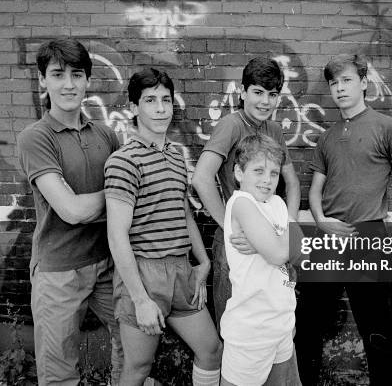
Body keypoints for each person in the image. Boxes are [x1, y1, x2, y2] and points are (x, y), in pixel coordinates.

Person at [295, 54, 392, 385]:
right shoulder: (327, 138)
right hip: (329, 239)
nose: (339, 88)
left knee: (378, 330)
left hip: (370, 236)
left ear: (364, 82)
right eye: (334, 83)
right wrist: (321, 222)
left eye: (346, 80)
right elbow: (315, 191)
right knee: (306, 325)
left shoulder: (390, 128)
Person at [104, 68, 222, 386]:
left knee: (211, 350)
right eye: (150, 100)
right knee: (139, 367)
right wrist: (141, 300)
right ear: (133, 107)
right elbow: (116, 236)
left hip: (181, 271)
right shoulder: (123, 161)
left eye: (166, 100)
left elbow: (182, 212)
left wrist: (204, 262)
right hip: (143, 274)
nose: (160, 108)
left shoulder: (174, 155)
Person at [17, 38, 123, 386]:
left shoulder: (106, 135)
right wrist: (118, 195)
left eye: (77, 75)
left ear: (88, 81)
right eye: (57, 74)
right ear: (42, 81)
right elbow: (72, 210)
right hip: (58, 272)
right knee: (59, 373)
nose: (68, 84)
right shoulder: (36, 137)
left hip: (106, 265)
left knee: (135, 337)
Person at [192, 57, 301, 328]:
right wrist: (230, 228)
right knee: (235, 326)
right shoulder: (231, 125)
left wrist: (290, 227)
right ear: (243, 93)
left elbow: (293, 183)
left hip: (271, 240)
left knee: (268, 322)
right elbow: (202, 178)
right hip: (238, 242)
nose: (265, 101)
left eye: (272, 95)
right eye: (258, 92)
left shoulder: (274, 129)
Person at [220, 134, 301, 386]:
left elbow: (298, 253)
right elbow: (280, 253)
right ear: (239, 173)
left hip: (281, 322)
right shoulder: (242, 203)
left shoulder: (276, 203)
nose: (267, 180)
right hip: (251, 330)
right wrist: (281, 240)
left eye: (274, 173)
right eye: (258, 171)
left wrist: (268, 244)